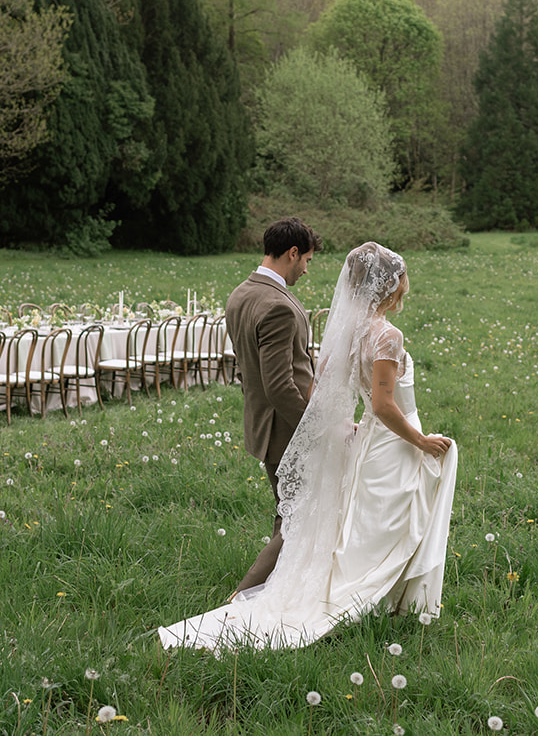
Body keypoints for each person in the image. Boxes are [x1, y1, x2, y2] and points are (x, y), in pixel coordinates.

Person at [159, 241, 457, 650]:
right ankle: (367, 597)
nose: (405, 287)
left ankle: (385, 597)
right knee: (385, 525)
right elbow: (385, 406)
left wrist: (344, 426)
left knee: (367, 523)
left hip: (369, 439)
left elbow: (327, 391)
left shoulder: (348, 334)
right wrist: (421, 441)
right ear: (389, 284)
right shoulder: (386, 336)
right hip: (391, 443)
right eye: (401, 280)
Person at [224, 216, 320, 593]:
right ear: (292, 253)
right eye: (307, 261)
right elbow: (279, 386)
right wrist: (314, 427)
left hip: (262, 424)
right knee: (294, 522)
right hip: (285, 430)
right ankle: (240, 598)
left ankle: (283, 587)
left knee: (289, 516)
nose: (306, 270)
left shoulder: (241, 293)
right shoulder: (276, 305)